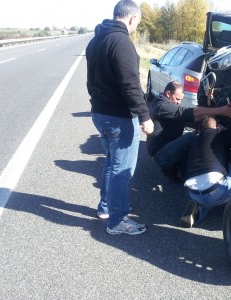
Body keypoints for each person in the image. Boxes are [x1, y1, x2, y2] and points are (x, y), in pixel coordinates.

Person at [86, 0, 154, 236]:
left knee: (112, 162)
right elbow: (131, 85)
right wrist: (145, 116)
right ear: (132, 18)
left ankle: (106, 208)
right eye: (138, 22)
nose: (136, 27)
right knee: (122, 169)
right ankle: (117, 221)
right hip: (119, 116)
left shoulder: (96, 40)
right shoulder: (121, 42)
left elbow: (90, 80)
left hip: (100, 112)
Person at [146, 81, 231, 182]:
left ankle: (178, 172)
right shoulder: (161, 106)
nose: (179, 102)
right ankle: (187, 174)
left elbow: (189, 118)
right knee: (191, 138)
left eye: (180, 100)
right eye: (177, 99)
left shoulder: (163, 101)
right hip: (160, 155)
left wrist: (207, 121)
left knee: (189, 137)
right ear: (168, 94)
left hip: (165, 148)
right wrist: (221, 110)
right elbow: (188, 112)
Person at [180, 116, 231, 228]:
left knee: (211, 198)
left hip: (193, 193)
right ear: (217, 126)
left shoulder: (194, 141)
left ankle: (199, 210)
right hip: (216, 191)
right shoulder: (220, 133)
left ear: (201, 129)